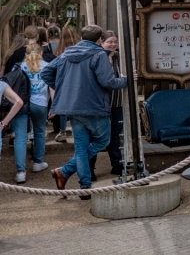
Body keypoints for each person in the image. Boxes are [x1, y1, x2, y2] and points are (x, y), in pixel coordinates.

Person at [43, 24, 128, 200]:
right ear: (99, 40)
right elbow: (108, 82)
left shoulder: (66, 53)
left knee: (81, 148)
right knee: (103, 140)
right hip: (95, 107)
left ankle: (84, 186)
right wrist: (125, 81)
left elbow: (46, 73)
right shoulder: (99, 55)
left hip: (73, 108)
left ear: (81, 38)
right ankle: (65, 172)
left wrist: (62, 88)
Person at [10, 44, 52, 182]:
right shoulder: (47, 66)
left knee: (20, 137)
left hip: (20, 103)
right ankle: (37, 162)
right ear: (41, 52)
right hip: (40, 103)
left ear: (25, 53)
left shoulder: (18, 66)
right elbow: (52, 87)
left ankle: (20, 171)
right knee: (39, 131)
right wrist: (55, 106)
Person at [100, 31, 125, 175]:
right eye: (109, 42)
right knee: (98, 137)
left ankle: (116, 164)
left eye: (115, 41)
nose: (113, 44)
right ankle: (90, 168)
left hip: (117, 102)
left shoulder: (119, 57)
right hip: (101, 104)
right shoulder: (98, 57)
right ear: (102, 42)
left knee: (115, 136)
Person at [53, 25, 80, 143]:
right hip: (78, 80)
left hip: (65, 81)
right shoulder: (80, 47)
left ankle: (63, 131)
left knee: (65, 107)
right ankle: (76, 131)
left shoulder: (60, 49)